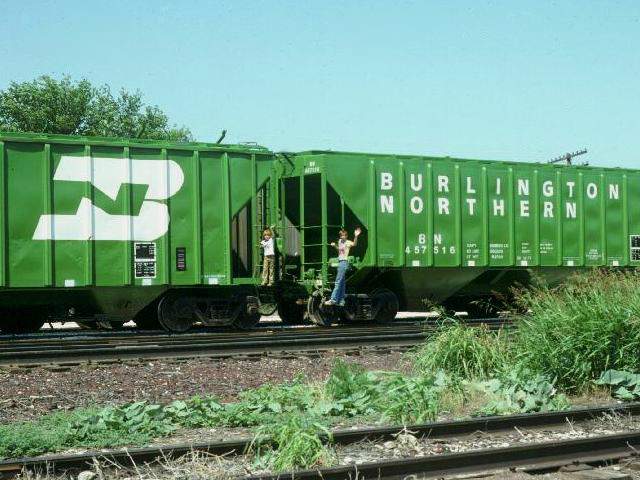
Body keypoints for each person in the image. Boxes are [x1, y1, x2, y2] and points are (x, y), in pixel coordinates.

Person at [325, 227, 361, 306]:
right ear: (340, 236)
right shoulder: (340, 241)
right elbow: (340, 251)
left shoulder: (348, 242)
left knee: (338, 282)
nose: (343, 237)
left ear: (346, 236)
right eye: (341, 236)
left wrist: (356, 236)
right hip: (340, 262)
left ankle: (333, 299)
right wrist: (334, 246)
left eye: (344, 236)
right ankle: (341, 300)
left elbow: (355, 244)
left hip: (344, 263)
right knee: (342, 283)